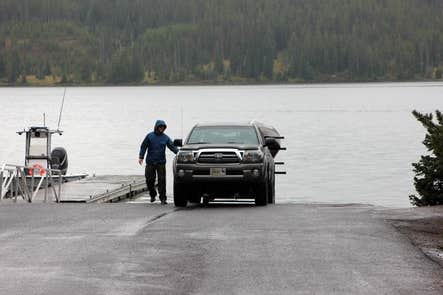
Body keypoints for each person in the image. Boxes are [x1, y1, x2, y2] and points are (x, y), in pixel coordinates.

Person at [138, 120, 178, 204]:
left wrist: (179, 153)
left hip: (161, 163)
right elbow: (143, 146)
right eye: (160, 127)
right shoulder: (149, 136)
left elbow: (172, 147)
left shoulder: (165, 138)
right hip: (150, 163)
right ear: (156, 127)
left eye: (163, 127)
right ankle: (152, 194)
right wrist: (141, 157)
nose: (161, 128)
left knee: (162, 181)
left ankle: (163, 198)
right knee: (149, 180)